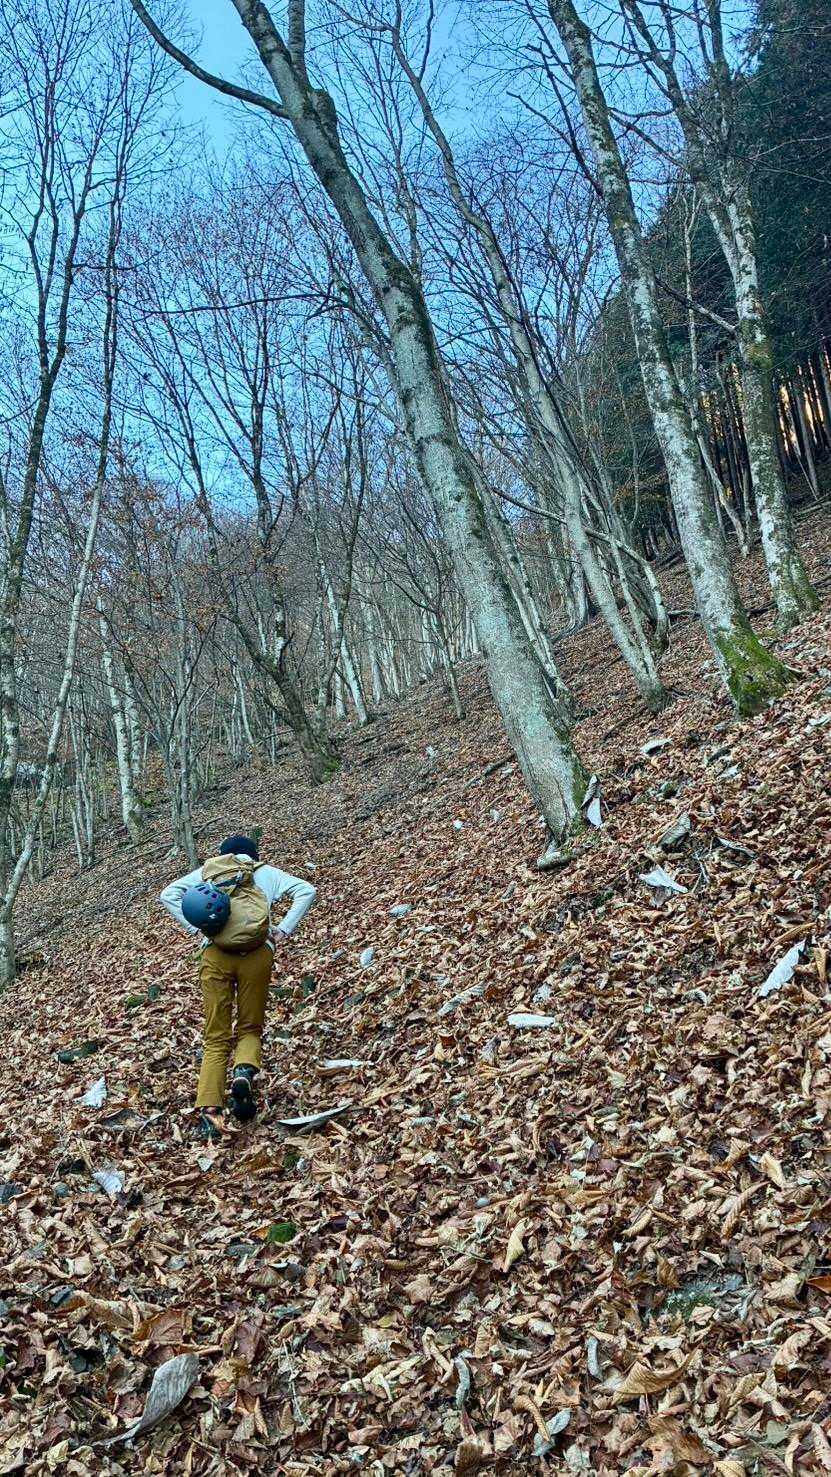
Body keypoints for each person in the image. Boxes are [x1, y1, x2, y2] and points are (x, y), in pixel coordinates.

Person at [160, 833, 316, 1140]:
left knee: (215, 1036)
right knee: (249, 1027)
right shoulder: (265, 872)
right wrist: (283, 930)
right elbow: (306, 890)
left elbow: (168, 894)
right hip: (256, 954)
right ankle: (243, 1070)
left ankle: (210, 1113)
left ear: (224, 856)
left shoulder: (210, 871)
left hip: (216, 955)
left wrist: (196, 929)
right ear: (254, 855)